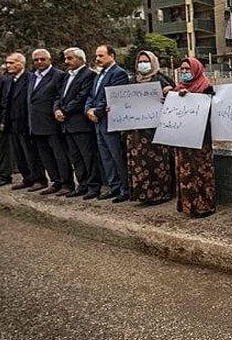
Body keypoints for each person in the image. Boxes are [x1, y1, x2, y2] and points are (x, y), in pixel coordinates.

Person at [127, 51, 175, 205]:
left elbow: (175, 100)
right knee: (139, 163)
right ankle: (143, 194)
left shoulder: (161, 79)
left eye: (146, 61)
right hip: (136, 132)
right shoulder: (133, 81)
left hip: (156, 131)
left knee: (157, 163)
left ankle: (160, 194)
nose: (142, 64)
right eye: (140, 61)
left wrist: (169, 93)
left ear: (153, 62)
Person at [54, 47, 101, 199]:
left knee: (88, 156)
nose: (66, 61)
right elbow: (59, 96)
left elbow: (81, 97)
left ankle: (94, 186)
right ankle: (82, 184)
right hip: (67, 124)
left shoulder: (89, 75)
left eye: (70, 58)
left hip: (80, 123)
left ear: (80, 59)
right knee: (76, 157)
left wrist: (65, 111)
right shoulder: (67, 76)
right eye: (66, 58)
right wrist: (57, 110)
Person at [171, 57, 216, 218]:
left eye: (187, 69)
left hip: (201, 137)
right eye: (182, 69)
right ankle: (188, 205)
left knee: (200, 170)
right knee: (185, 171)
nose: (184, 72)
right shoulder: (178, 89)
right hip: (182, 137)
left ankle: (203, 205)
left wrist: (191, 98)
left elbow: (213, 111)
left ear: (196, 69)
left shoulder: (206, 87)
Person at [85, 44, 130, 203]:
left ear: (112, 55)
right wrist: (89, 109)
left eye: (101, 56)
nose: (97, 59)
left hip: (111, 121)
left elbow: (113, 96)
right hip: (98, 122)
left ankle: (125, 189)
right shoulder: (99, 75)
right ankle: (114, 186)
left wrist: (97, 111)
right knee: (106, 157)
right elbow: (92, 95)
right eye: (96, 56)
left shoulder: (119, 74)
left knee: (116, 156)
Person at [27, 49, 73, 196]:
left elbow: (59, 97)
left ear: (49, 60)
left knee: (60, 155)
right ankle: (55, 181)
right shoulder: (33, 77)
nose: (39, 62)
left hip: (53, 123)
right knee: (45, 155)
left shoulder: (58, 75)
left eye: (42, 59)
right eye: (36, 60)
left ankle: (67, 183)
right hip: (36, 123)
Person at [2, 52, 45, 191]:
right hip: (12, 122)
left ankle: (39, 179)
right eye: (7, 63)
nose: (8, 65)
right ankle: (27, 178)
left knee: (31, 153)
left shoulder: (30, 78)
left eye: (12, 62)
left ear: (21, 63)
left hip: (26, 122)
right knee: (19, 153)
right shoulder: (9, 80)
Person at [0, 64, 12, 187]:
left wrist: (3, 121)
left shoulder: (1, 80)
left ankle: (4, 176)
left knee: (1, 150)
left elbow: (5, 102)